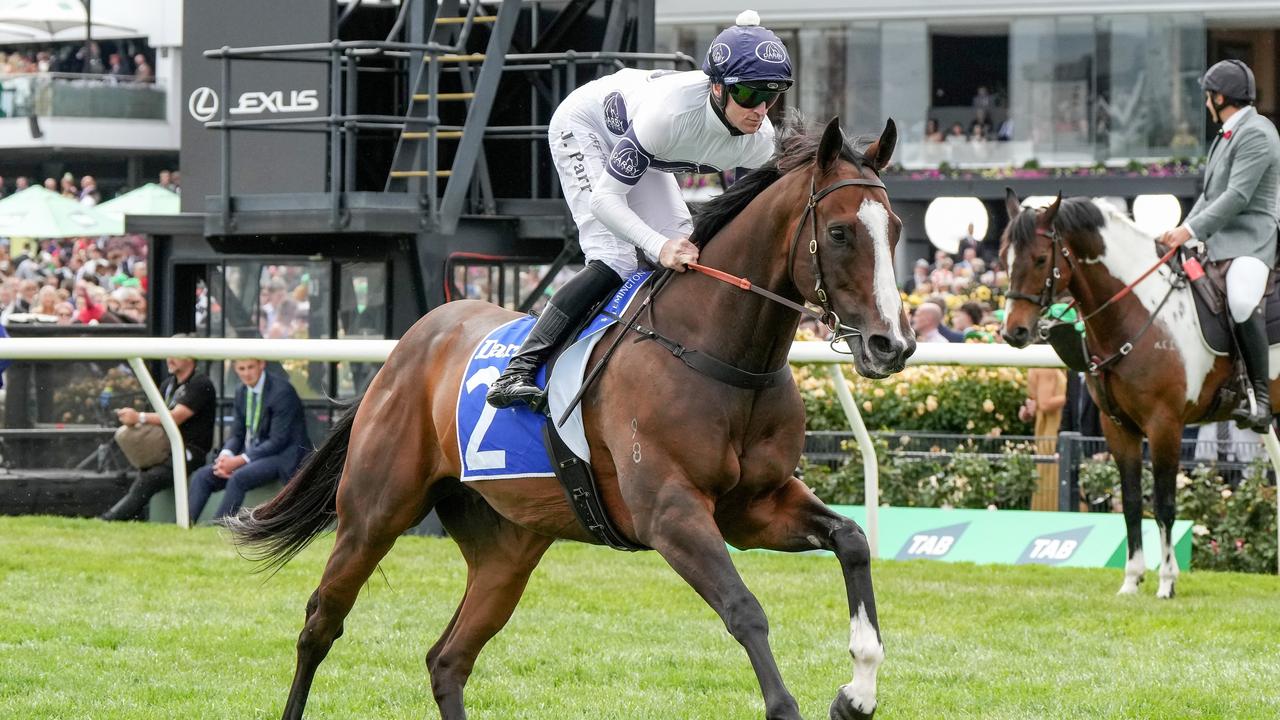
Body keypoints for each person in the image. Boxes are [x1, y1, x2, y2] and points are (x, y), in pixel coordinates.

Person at [485, 10, 793, 409]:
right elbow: (604, 201)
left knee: (684, 250)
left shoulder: (759, 141)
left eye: (771, 96)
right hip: (588, 126)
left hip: (646, 153)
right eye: (750, 95)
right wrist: (657, 244)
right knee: (615, 256)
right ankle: (518, 370)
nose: (760, 110)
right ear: (717, 88)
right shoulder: (670, 116)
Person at [1159, 59, 1280, 433]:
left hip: (1251, 240)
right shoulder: (1223, 136)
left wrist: (1191, 229)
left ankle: (1260, 399)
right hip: (1217, 241)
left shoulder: (1258, 132)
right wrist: (1182, 231)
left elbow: (1238, 196)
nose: (1206, 103)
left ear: (1219, 96)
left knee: (1242, 300)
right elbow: (1210, 196)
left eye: (1208, 96)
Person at [99, 348, 217, 521]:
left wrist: (138, 416)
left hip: (190, 450)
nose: (170, 359)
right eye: (168, 354)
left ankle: (109, 520)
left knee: (149, 480)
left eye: (176, 354)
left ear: (190, 358)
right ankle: (132, 519)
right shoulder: (168, 384)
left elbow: (176, 417)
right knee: (143, 474)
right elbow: (156, 417)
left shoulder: (201, 383)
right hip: (163, 448)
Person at [187, 359, 310, 522]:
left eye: (250, 367)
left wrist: (239, 460)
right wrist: (226, 455)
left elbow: (278, 441)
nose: (246, 373)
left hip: (282, 456)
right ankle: (183, 524)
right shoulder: (241, 391)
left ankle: (218, 527)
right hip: (253, 454)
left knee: (239, 478)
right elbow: (237, 434)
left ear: (262, 365)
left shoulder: (282, 391)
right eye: (241, 368)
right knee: (202, 476)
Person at [1020, 367, 1068, 510]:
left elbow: (1033, 404)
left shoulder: (1044, 366)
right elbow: (1045, 403)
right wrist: (1076, 395)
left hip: (1050, 432)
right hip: (1053, 434)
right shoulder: (1047, 368)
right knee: (1053, 478)